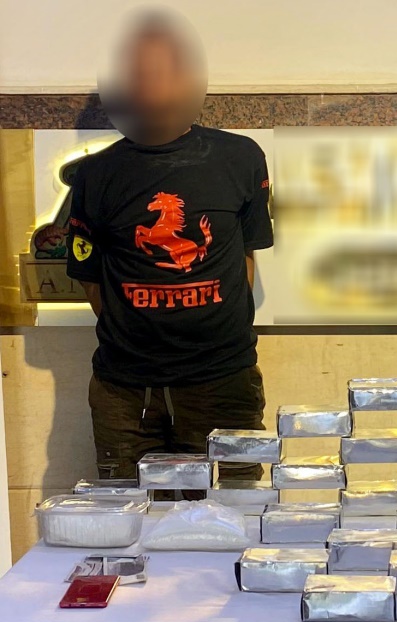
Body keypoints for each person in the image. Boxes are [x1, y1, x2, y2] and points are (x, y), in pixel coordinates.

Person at [66, 9, 272, 494]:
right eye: (139, 72)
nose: (152, 83)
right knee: (129, 519)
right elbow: (91, 279)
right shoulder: (95, 174)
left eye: (165, 70)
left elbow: (244, 260)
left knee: (233, 516)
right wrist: (142, 334)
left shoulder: (240, 158)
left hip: (224, 383)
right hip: (126, 393)